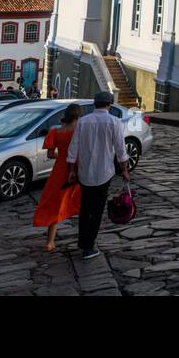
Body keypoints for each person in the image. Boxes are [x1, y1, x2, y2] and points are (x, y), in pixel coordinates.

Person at [66, 91, 130, 260]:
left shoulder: (83, 122)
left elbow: (73, 149)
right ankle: (89, 246)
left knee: (85, 209)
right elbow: (121, 151)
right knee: (97, 211)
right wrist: (124, 170)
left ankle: (83, 242)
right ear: (109, 104)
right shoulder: (114, 122)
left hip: (85, 173)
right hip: (104, 173)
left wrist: (72, 170)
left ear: (95, 104)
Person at [33, 104, 82, 252]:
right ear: (77, 117)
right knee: (80, 202)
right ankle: (85, 238)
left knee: (55, 204)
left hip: (60, 170)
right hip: (77, 169)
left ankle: (50, 242)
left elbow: (49, 154)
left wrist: (62, 155)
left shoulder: (55, 132)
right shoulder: (78, 132)